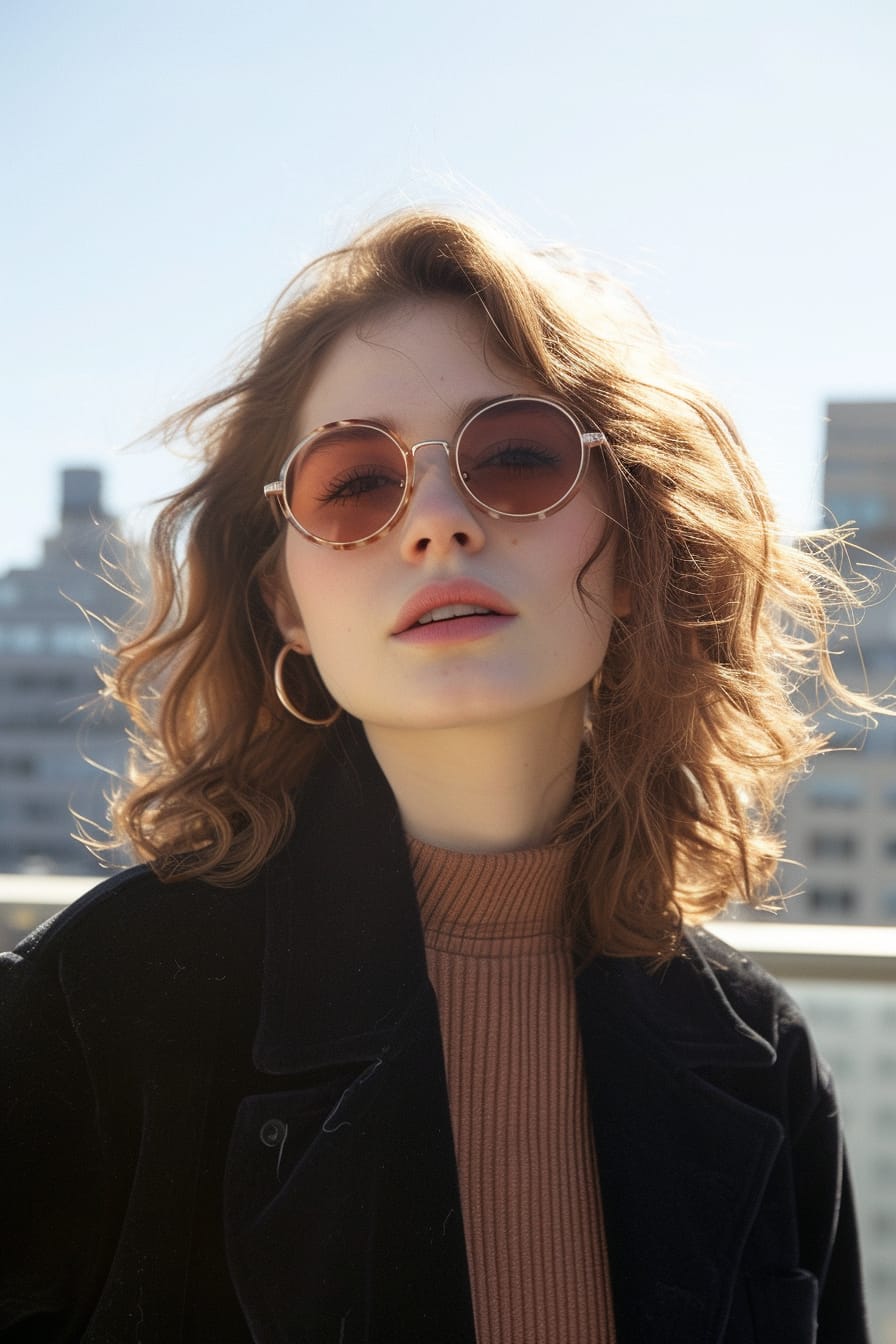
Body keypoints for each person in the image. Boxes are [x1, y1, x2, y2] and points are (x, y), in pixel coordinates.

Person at [0, 209, 873, 1343]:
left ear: (635, 539)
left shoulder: (757, 1057)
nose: (439, 524)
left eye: (516, 457)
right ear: (283, 601)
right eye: (356, 484)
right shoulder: (96, 1005)